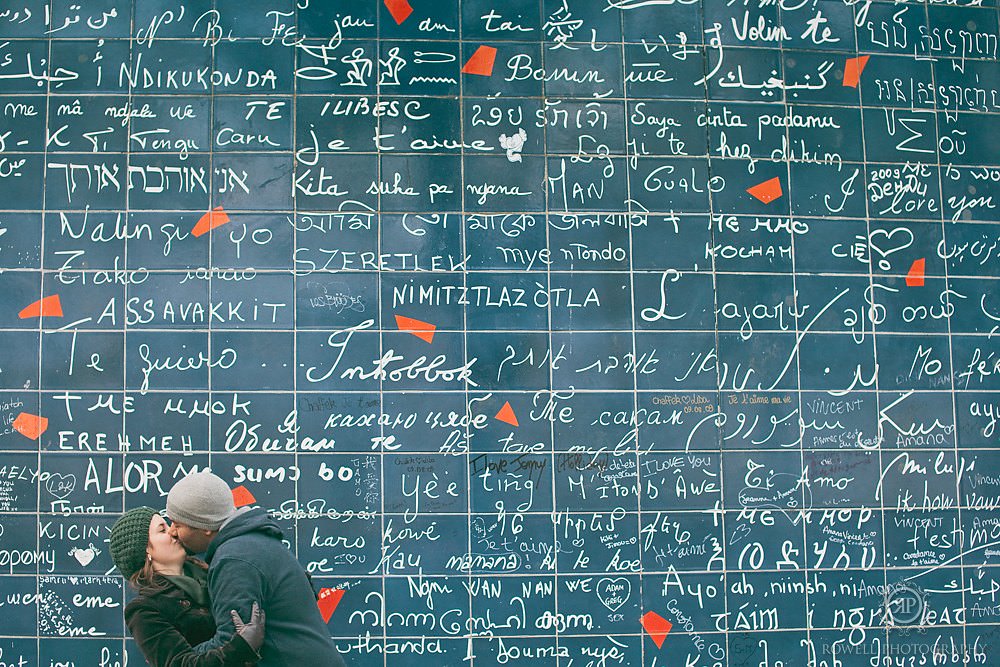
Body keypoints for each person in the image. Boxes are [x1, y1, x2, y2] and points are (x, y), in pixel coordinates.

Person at [166, 470, 344, 667]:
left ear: (205, 526)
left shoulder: (234, 559)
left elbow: (231, 644)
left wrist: (175, 659)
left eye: (177, 524)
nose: (172, 531)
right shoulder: (255, 541)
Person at [109, 506, 265, 667]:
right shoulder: (145, 609)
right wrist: (240, 648)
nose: (173, 531)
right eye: (162, 530)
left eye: (169, 525)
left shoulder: (214, 571)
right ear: (146, 551)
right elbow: (179, 663)